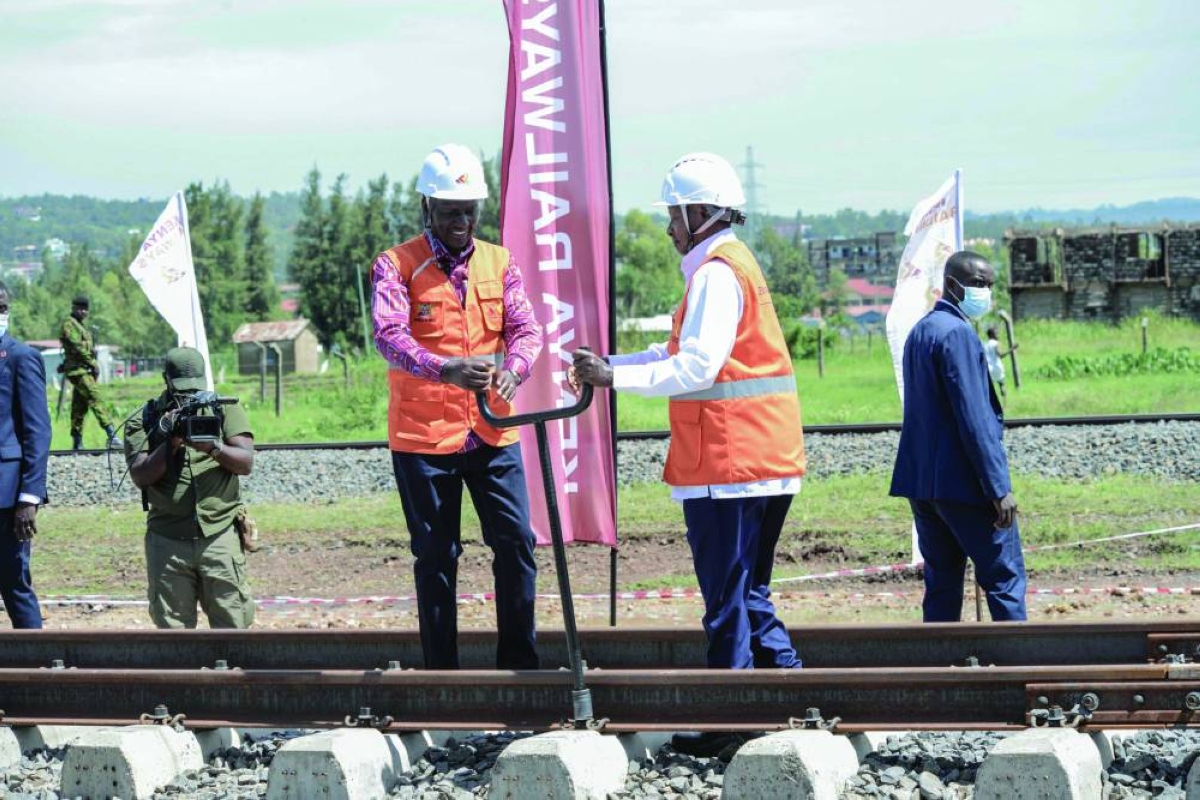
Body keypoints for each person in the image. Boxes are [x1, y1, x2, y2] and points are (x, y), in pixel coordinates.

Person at [572, 152, 804, 758]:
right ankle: (792, 693)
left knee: (728, 597)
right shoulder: (731, 266)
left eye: (674, 214)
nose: (669, 226)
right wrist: (611, 369)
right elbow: (680, 350)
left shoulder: (715, 275)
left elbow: (697, 367)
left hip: (728, 463)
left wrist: (613, 380)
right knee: (749, 590)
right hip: (758, 459)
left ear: (700, 213)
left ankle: (731, 718)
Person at [372, 144, 544, 670]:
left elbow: (526, 329)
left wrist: (515, 368)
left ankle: (518, 666)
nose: (462, 221)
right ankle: (441, 674)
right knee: (436, 558)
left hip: (492, 430)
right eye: (450, 211)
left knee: (516, 543)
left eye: (469, 210)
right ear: (428, 208)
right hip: (423, 440)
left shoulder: (500, 262)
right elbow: (388, 335)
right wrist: (443, 369)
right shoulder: (395, 265)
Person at [890, 251, 1027, 623]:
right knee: (1004, 577)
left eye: (989, 284)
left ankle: (939, 668)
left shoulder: (922, 330)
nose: (986, 291)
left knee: (942, 582)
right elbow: (975, 418)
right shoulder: (958, 334)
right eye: (978, 283)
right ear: (952, 284)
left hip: (923, 484)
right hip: (963, 486)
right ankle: (1016, 666)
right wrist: (998, 488)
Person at [124, 347, 256, 629]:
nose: (187, 395)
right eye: (181, 389)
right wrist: (169, 442)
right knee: (173, 634)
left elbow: (245, 463)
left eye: (194, 388)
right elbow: (141, 475)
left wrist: (215, 447)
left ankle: (229, 674)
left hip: (219, 535)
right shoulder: (145, 419)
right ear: (166, 380)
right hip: (168, 539)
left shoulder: (224, 407)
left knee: (233, 626)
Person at [0, 282, 51, 629]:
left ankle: (34, 667)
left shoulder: (21, 357)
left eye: (2, 307)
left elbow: (38, 432)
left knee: (14, 585)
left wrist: (29, 497)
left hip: (7, 497)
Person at [59, 295, 120, 450]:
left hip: (82, 370)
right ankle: (112, 435)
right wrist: (93, 363)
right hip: (78, 371)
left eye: (85, 309)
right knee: (95, 398)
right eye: (80, 308)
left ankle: (77, 442)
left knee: (79, 407)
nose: (83, 311)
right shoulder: (69, 324)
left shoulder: (80, 326)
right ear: (73, 308)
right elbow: (76, 347)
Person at [984, 326, 1017, 399]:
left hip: (988, 368)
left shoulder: (985, 344)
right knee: (1001, 384)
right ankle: (1004, 403)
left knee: (989, 387)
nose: (998, 335)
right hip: (997, 367)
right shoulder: (996, 343)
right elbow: (1000, 355)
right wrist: (1012, 349)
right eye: (996, 333)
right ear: (992, 335)